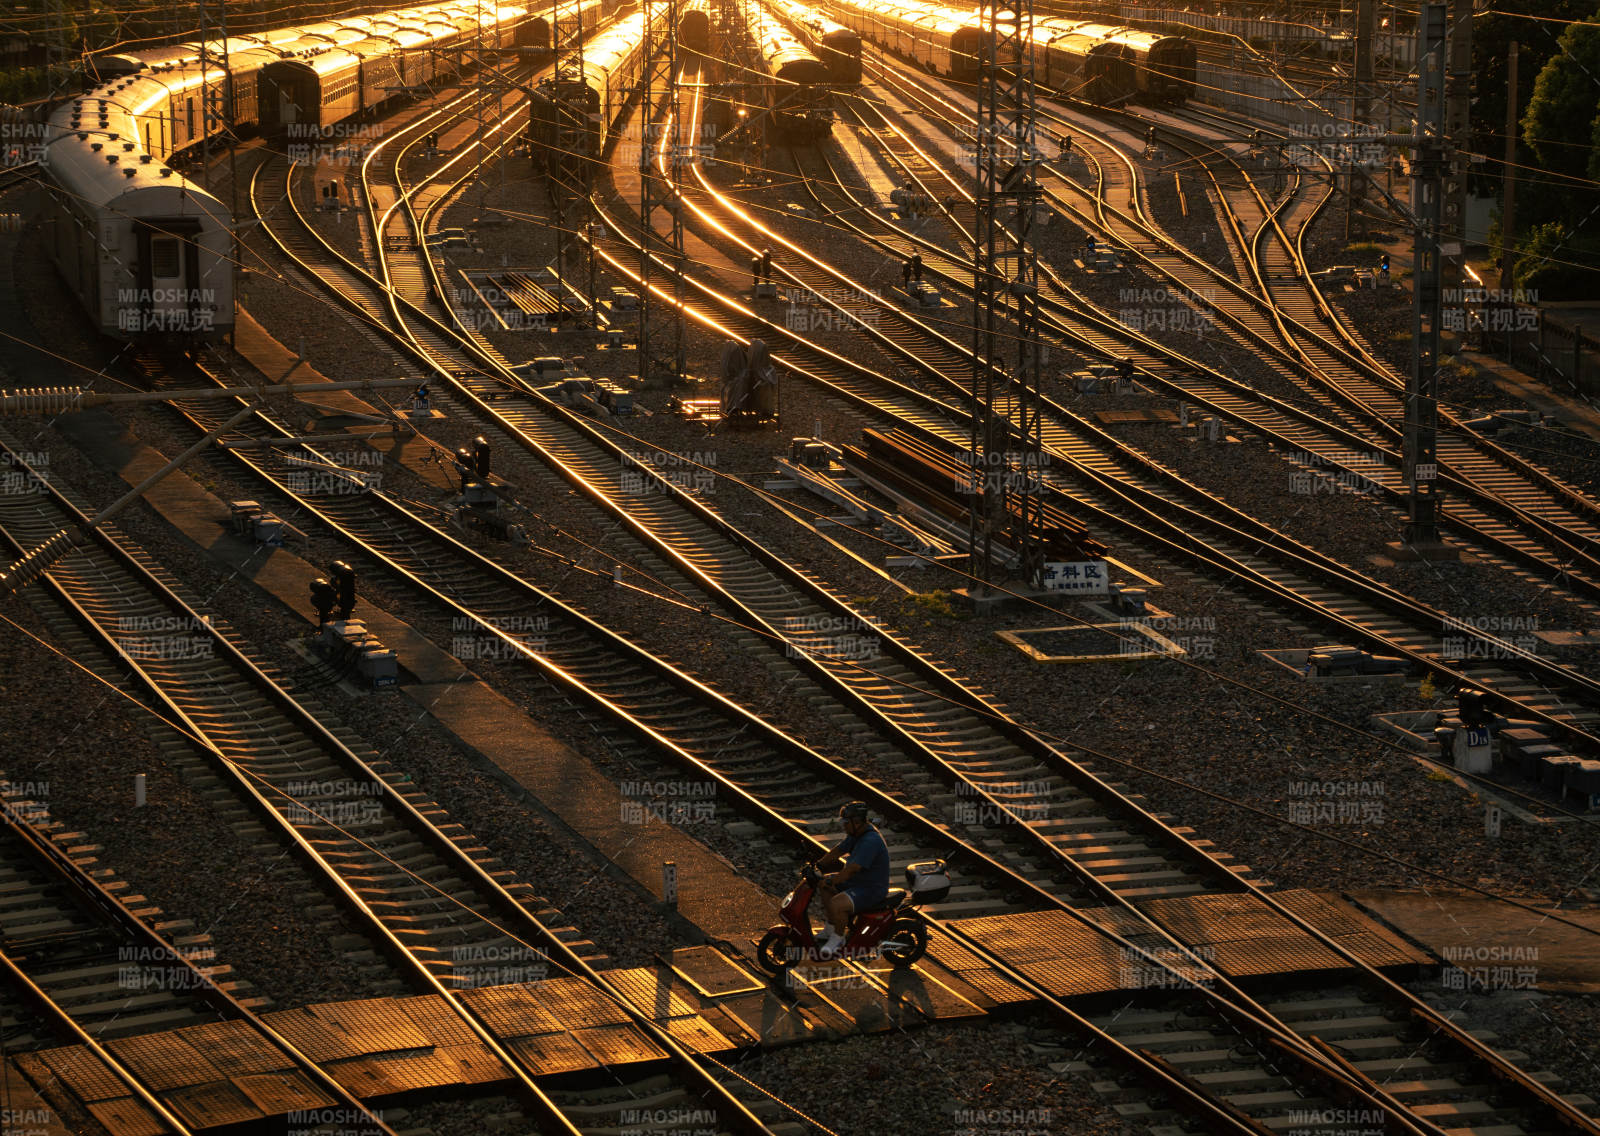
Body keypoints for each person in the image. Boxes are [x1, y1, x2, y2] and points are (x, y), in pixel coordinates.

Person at [814, 802, 889, 958]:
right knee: (823, 885)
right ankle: (831, 927)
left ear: (857, 822)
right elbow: (839, 850)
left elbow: (851, 870)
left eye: (845, 822)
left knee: (837, 902)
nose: (843, 826)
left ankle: (838, 939)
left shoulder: (870, 841)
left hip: (871, 889)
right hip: (857, 884)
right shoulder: (857, 834)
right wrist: (819, 865)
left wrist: (833, 880)